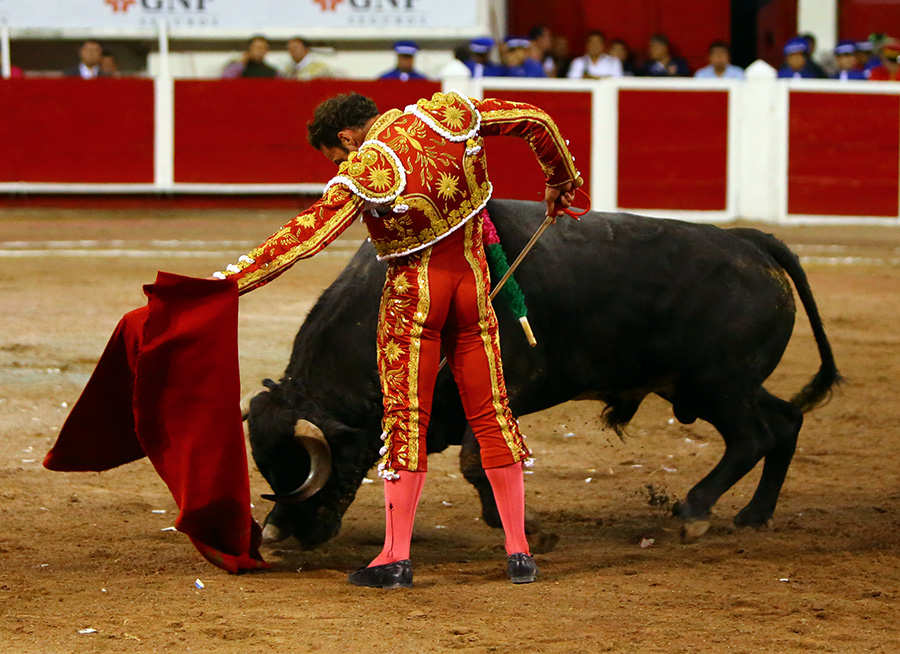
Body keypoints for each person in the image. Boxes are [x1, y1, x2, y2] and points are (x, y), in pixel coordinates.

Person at [213, 90, 581, 588]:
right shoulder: (449, 113)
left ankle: (395, 558)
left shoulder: (370, 168)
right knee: (492, 414)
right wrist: (561, 182)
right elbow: (534, 120)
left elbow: (304, 237)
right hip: (473, 285)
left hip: (416, 298)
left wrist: (224, 286)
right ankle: (519, 554)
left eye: (337, 154)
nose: (342, 162)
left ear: (346, 136)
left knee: (407, 419)